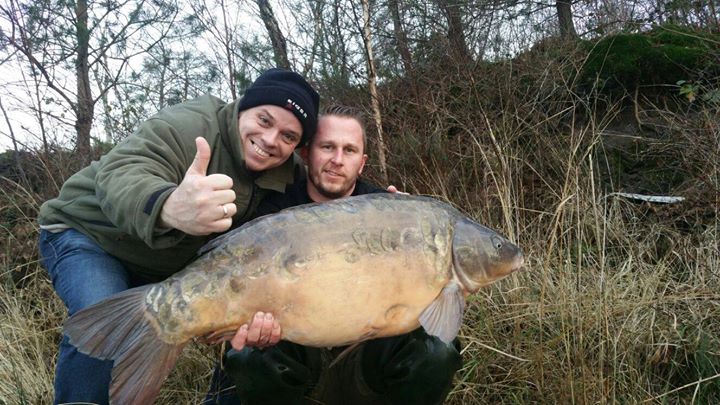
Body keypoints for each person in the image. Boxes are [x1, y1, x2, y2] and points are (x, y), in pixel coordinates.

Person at [37, 68, 320, 404]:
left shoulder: (289, 172)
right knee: (101, 312)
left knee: (249, 326)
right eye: (264, 120)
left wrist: (391, 208)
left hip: (168, 270)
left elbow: (330, 209)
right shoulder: (191, 125)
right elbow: (122, 171)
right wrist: (168, 206)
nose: (271, 140)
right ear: (244, 107)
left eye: (288, 136)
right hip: (91, 236)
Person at [205, 105, 463, 405]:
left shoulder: (392, 211)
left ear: (362, 162)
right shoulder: (273, 212)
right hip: (300, 349)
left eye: (349, 150)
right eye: (327, 147)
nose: (337, 160)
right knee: (247, 356)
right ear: (306, 154)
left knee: (437, 352)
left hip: (370, 349)